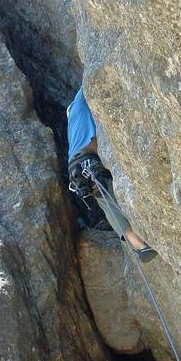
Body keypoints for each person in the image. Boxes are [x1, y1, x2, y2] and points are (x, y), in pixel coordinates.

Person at [67, 86, 157, 263]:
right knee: (105, 190)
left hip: (76, 166)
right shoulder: (79, 103)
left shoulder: (74, 123)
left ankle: (138, 245)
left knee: (104, 198)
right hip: (86, 159)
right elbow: (91, 78)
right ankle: (138, 243)